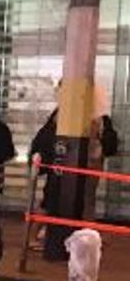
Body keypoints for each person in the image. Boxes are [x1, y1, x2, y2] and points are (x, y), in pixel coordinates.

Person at [30, 85, 116, 260]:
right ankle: (38, 237)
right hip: (72, 163)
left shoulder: (72, 113)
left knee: (72, 201)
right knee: (54, 200)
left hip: (77, 163)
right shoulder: (73, 114)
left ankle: (85, 238)